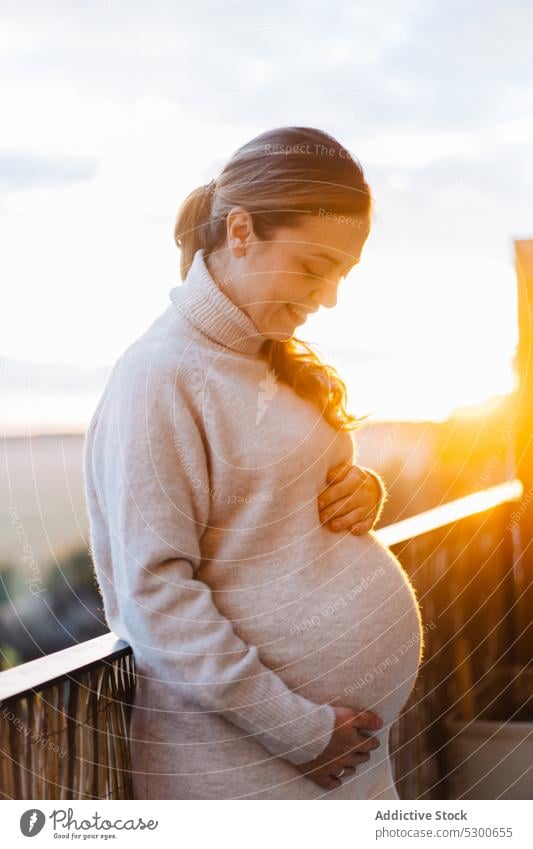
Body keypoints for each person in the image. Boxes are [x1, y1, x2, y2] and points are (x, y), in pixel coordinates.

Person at [83, 125, 424, 800]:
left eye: (340, 274)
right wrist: (302, 730)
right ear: (240, 232)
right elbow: (154, 598)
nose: (326, 297)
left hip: (337, 757)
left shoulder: (263, 357)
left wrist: (360, 492)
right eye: (310, 266)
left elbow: (267, 508)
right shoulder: (159, 376)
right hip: (254, 767)